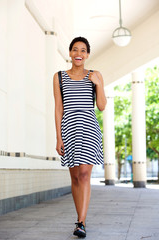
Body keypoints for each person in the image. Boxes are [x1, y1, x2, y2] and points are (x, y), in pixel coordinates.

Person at [53, 36, 107, 238]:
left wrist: (98, 85)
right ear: (69, 53)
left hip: (89, 129)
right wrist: (58, 137)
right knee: (75, 177)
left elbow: (101, 106)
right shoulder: (59, 77)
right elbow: (59, 109)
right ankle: (80, 218)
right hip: (69, 130)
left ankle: (81, 222)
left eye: (83, 50)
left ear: (88, 55)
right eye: (75, 50)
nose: (79, 54)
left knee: (84, 174)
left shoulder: (95, 74)